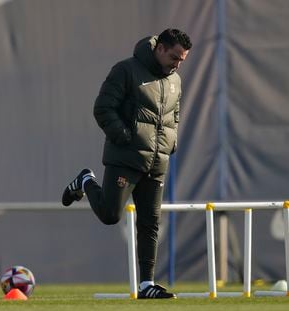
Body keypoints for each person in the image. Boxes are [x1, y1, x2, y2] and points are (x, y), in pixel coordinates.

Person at [62, 29, 192, 299]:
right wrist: (124, 136)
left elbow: (175, 114)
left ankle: (146, 285)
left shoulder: (175, 81)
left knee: (150, 222)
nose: (178, 64)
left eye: (182, 60)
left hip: (157, 161)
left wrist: (172, 141)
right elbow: (102, 108)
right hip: (126, 158)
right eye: (175, 57)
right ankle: (86, 180)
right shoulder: (126, 70)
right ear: (160, 48)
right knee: (111, 215)